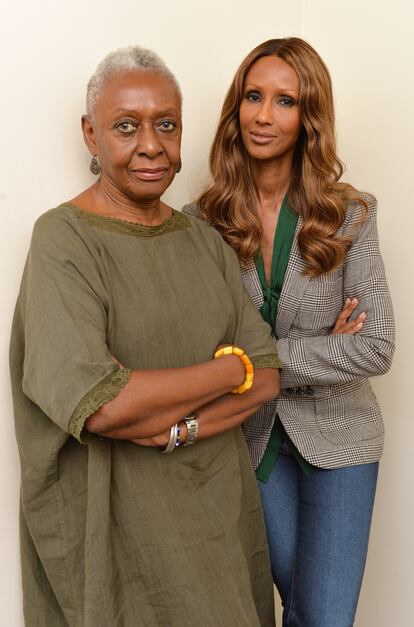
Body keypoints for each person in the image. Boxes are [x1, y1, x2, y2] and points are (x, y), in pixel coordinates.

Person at [9, 46, 282, 627]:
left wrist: (176, 426)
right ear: (91, 135)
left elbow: (269, 377)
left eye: (167, 125)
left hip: (218, 531)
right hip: (117, 545)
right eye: (126, 126)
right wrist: (231, 370)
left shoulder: (204, 242)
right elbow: (102, 406)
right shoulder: (65, 240)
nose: (151, 145)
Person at [183, 37, 395, 627]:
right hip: (251, 440)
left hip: (342, 439)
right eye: (254, 97)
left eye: (284, 101)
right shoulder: (201, 225)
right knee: (293, 607)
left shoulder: (351, 214)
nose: (263, 115)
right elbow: (201, 346)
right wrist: (329, 342)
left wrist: (251, 358)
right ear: (237, 107)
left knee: (322, 616)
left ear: (309, 119)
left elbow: (375, 344)